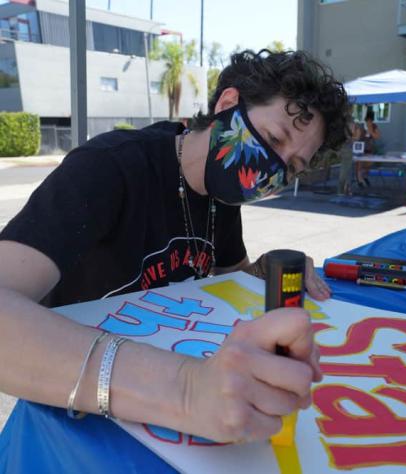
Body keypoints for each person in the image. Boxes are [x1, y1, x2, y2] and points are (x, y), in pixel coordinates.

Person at [0, 50, 350, 451]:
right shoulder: (109, 167)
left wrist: (267, 268)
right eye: (273, 140)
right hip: (70, 424)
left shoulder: (222, 198)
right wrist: (186, 391)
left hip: (164, 426)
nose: (273, 169)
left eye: (291, 167)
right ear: (228, 104)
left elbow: (229, 279)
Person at [355, 108, 381, 188]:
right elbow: (357, 137)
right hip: (360, 149)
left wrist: (371, 132)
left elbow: (377, 136)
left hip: (369, 148)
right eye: (368, 121)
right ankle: (359, 180)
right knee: (359, 165)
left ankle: (365, 177)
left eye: (371, 121)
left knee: (368, 165)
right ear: (366, 120)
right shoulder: (361, 126)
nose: (369, 122)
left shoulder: (374, 126)